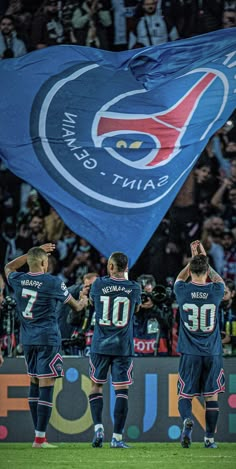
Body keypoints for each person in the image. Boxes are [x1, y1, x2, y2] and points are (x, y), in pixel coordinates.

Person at [4, 243, 85, 448]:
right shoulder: (52, 282)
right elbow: (74, 307)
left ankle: (38, 436)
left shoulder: (19, 279)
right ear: (42, 262)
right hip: (48, 339)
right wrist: (83, 301)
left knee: (33, 382)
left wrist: (32, 251)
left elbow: (8, 267)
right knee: (46, 385)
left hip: (28, 340)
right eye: (46, 261)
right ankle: (40, 439)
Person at [174, 240, 225, 449]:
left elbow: (179, 277)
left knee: (185, 394)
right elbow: (218, 279)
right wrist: (205, 260)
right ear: (206, 271)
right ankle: (210, 439)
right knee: (211, 396)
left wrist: (193, 259)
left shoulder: (182, 290)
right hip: (212, 352)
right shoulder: (215, 291)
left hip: (189, 352)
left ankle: (187, 420)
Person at [88, 251, 141, 448]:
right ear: (126, 268)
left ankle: (98, 428)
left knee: (96, 386)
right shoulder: (134, 287)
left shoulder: (98, 284)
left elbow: (93, 303)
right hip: (122, 346)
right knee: (121, 390)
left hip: (100, 344)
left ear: (110, 267)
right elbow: (136, 309)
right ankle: (117, 438)